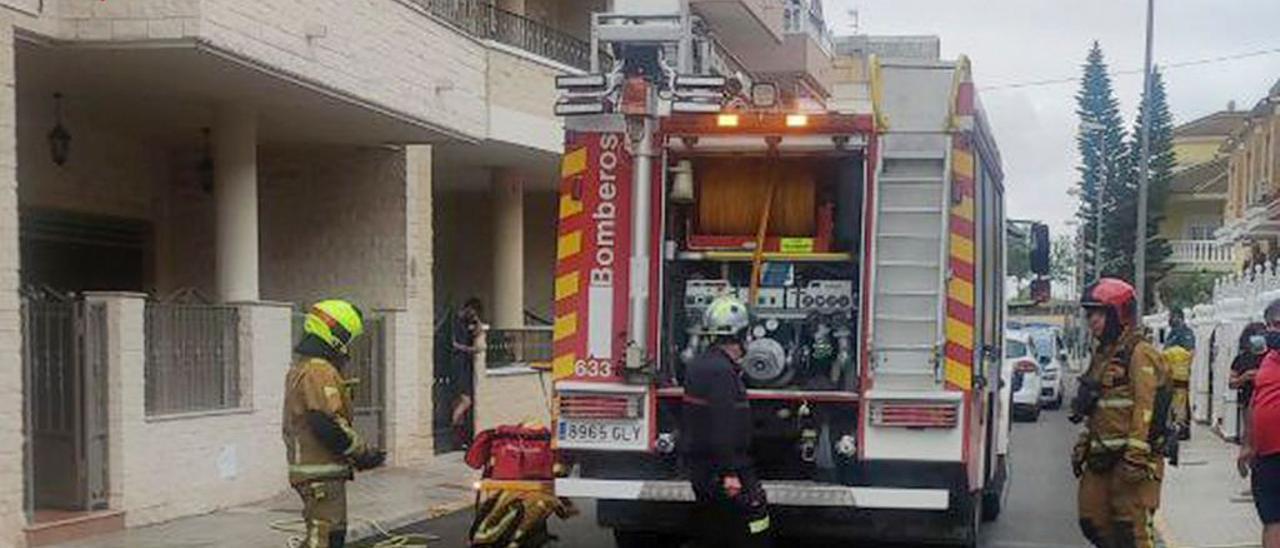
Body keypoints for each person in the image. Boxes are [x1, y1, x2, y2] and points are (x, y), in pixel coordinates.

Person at [1070, 278, 1167, 548]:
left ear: (1117, 314)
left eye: (1098, 314)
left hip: (1132, 464)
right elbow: (1098, 407)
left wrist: (1136, 457)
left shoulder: (1140, 353)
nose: (1092, 321)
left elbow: (1145, 408)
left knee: (1131, 534)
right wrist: (1083, 445)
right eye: (1089, 315)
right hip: (1102, 459)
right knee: (1093, 521)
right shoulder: (1102, 355)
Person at [283, 300, 386, 548]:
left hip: (315, 471)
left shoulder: (303, 368)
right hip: (320, 472)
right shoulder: (319, 371)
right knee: (327, 539)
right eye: (347, 337)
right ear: (336, 335)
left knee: (326, 535)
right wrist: (362, 453)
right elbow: (325, 423)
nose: (348, 346)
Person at [680, 295, 771, 548]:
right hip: (724, 468)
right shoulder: (721, 372)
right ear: (740, 334)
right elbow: (723, 426)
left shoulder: (701, 365)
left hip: (703, 467)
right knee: (753, 519)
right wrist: (730, 472)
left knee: (715, 529)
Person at [1246, 301, 1280, 548]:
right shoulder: (1268, 360)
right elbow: (1255, 401)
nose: (1272, 332)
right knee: (1271, 519)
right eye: (1269, 326)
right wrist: (1246, 444)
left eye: (1278, 325)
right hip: (1265, 456)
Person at [451, 298, 483, 448]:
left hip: (465, 366)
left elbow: (478, 334)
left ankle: (460, 438)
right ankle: (454, 433)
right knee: (466, 402)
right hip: (458, 366)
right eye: (473, 312)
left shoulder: (467, 323)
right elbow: (454, 344)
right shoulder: (455, 322)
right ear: (468, 308)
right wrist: (470, 350)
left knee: (460, 403)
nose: (473, 315)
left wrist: (477, 322)